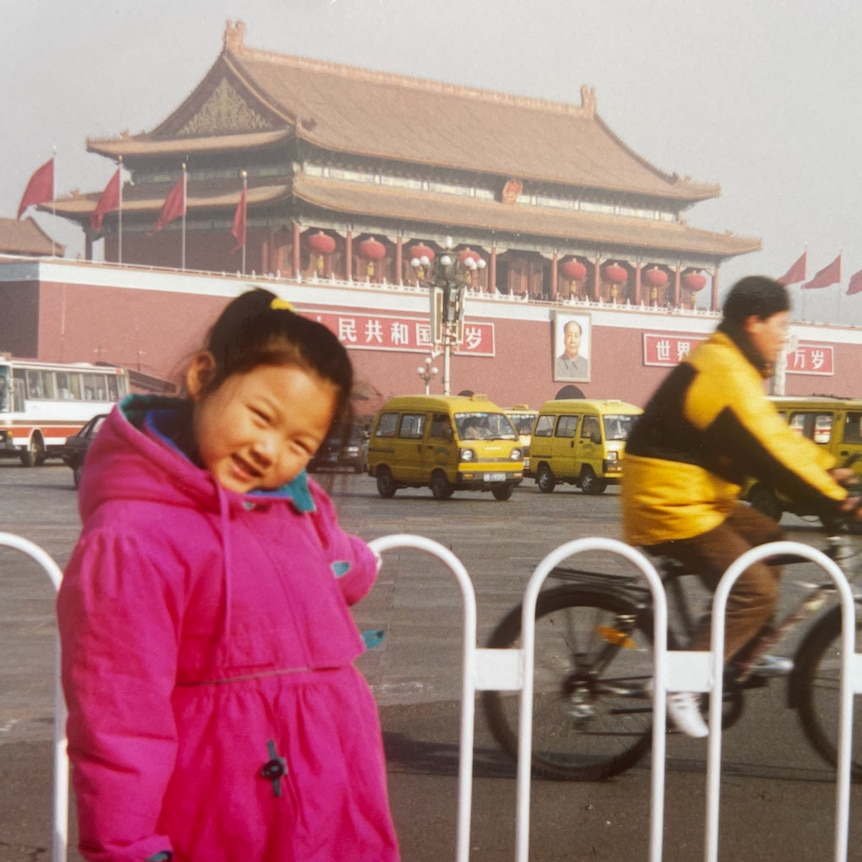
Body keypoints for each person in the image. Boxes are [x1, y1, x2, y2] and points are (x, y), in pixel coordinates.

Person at [58, 289, 399, 862]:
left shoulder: (288, 506)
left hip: (336, 808)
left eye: (300, 443)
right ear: (203, 376)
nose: (270, 452)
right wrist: (128, 849)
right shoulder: (132, 540)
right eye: (261, 417)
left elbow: (330, 565)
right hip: (223, 822)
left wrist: (358, 561)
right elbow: (119, 720)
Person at [620, 276, 858, 739]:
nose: (785, 336)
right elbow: (769, 451)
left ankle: (737, 644)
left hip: (697, 495)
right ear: (754, 322)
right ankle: (680, 685)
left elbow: (779, 436)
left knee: (771, 540)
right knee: (755, 592)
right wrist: (838, 502)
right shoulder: (723, 371)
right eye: (781, 325)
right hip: (667, 501)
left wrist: (828, 471)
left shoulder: (732, 365)